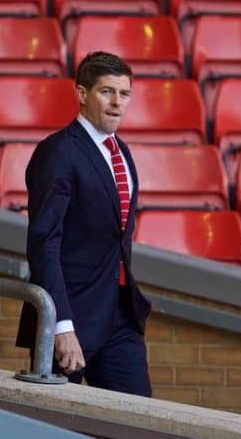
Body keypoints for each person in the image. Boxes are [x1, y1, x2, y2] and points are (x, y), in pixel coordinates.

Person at [16, 51, 152, 396]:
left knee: (140, 422)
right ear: (81, 94)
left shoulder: (122, 152)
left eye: (124, 94)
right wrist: (59, 324)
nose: (117, 102)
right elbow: (44, 243)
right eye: (107, 92)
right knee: (51, 428)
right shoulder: (58, 152)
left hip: (120, 318)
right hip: (71, 318)